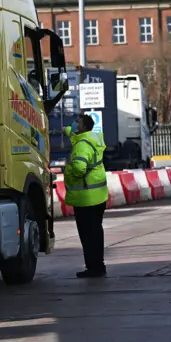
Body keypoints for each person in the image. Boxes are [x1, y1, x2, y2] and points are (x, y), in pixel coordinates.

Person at [63, 114, 108, 278]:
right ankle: (98, 265)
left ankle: (93, 267)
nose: (74, 125)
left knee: (87, 235)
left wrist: (67, 170)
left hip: (86, 197)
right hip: (98, 196)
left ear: (82, 127)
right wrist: (67, 130)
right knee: (96, 232)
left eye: (77, 123)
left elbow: (79, 168)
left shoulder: (82, 145)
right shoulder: (93, 139)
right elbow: (73, 136)